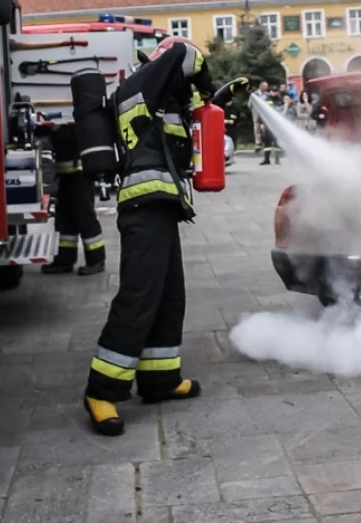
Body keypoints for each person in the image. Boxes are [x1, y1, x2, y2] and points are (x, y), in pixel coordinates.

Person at [82, 36, 247, 436]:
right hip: (143, 206)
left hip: (161, 206)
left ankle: (160, 379)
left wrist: (216, 99)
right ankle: (101, 391)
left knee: (169, 295)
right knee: (139, 296)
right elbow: (180, 53)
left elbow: (190, 124)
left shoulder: (157, 93)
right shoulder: (141, 81)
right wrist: (204, 73)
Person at [41, 125, 106, 275]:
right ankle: (65, 259)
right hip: (64, 173)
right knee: (64, 218)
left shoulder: (80, 113)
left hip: (80, 173)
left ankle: (96, 259)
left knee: (84, 216)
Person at [259, 92, 283, 165]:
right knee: (267, 142)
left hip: (277, 125)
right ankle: (266, 159)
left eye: (276, 91)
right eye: (273, 91)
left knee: (277, 143)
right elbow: (262, 111)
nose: (274, 93)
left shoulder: (280, 100)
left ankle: (277, 159)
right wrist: (261, 123)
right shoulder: (267, 99)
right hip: (267, 124)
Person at [250, 81, 269, 152]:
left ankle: (265, 142)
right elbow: (250, 104)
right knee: (257, 129)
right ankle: (258, 144)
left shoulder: (267, 94)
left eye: (266, 87)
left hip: (265, 114)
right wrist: (254, 111)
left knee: (265, 129)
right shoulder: (254, 94)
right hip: (256, 113)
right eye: (265, 87)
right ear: (260, 86)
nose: (266, 88)